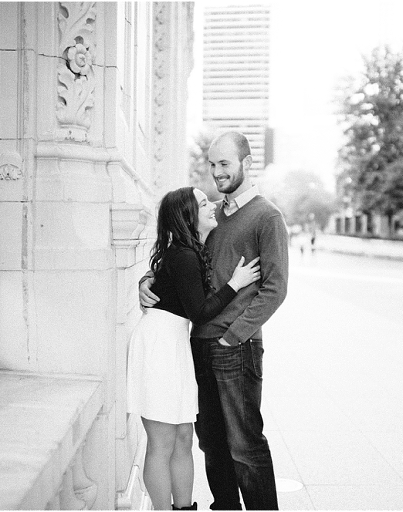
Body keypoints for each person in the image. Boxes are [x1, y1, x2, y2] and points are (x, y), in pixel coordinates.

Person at [140, 131, 289, 510]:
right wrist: (147, 281)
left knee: (245, 442)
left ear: (247, 163)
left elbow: (275, 289)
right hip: (197, 345)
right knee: (211, 441)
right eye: (212, 164)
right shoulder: (210, 215)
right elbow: (181, 262)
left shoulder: (267, 217)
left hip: (235, 347)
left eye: (224, 163)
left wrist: (234, 337)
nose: (217, 171)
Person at [127, 186, 261, 511]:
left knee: (184, 437)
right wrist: (236, 283)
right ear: (188, 216)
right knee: (162, 442)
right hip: (160, 346)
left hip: (173, 345)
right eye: (203, 203)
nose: (211, 205)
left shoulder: (188, 250)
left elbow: (169, 282)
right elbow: (199, 312)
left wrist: (146, 278)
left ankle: (183, 507)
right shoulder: (184, 254)